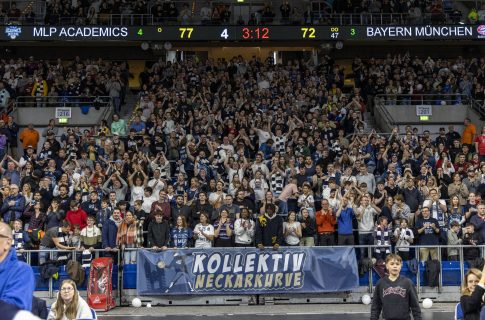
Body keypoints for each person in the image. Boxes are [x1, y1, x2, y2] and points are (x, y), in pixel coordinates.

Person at [370, 254, 422, 320]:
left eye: (397, 264)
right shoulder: (380, 283)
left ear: (401, 266)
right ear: (387, 266)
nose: (395, 266)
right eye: (392, 264)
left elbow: (415, 306)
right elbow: (376, 306)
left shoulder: (408, 283)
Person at [0, 221, 35, 311]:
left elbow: (12, 310)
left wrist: (25, 248)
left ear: (8, 243)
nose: (16, 225)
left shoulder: (22, 270)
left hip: (21, 256)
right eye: (15, 224)